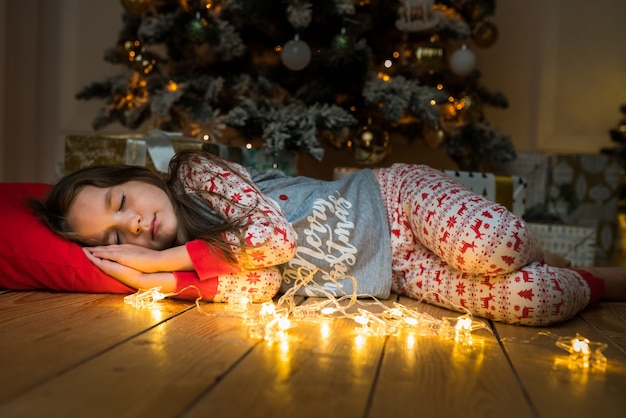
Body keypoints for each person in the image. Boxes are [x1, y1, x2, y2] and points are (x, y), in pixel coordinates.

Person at [32, 149, 626, 326]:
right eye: (114, 234)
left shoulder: (195, 176)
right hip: (396, 276)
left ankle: (540, 250)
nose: (131, 226)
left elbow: (270, 240)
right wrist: (150, 276)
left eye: (120, 203)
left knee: (489, 244)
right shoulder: (201, 264)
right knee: (533, 303)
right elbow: (262, 283)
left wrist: (168, 259)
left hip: (397, 201)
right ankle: (599, 283)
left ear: (135, 177)